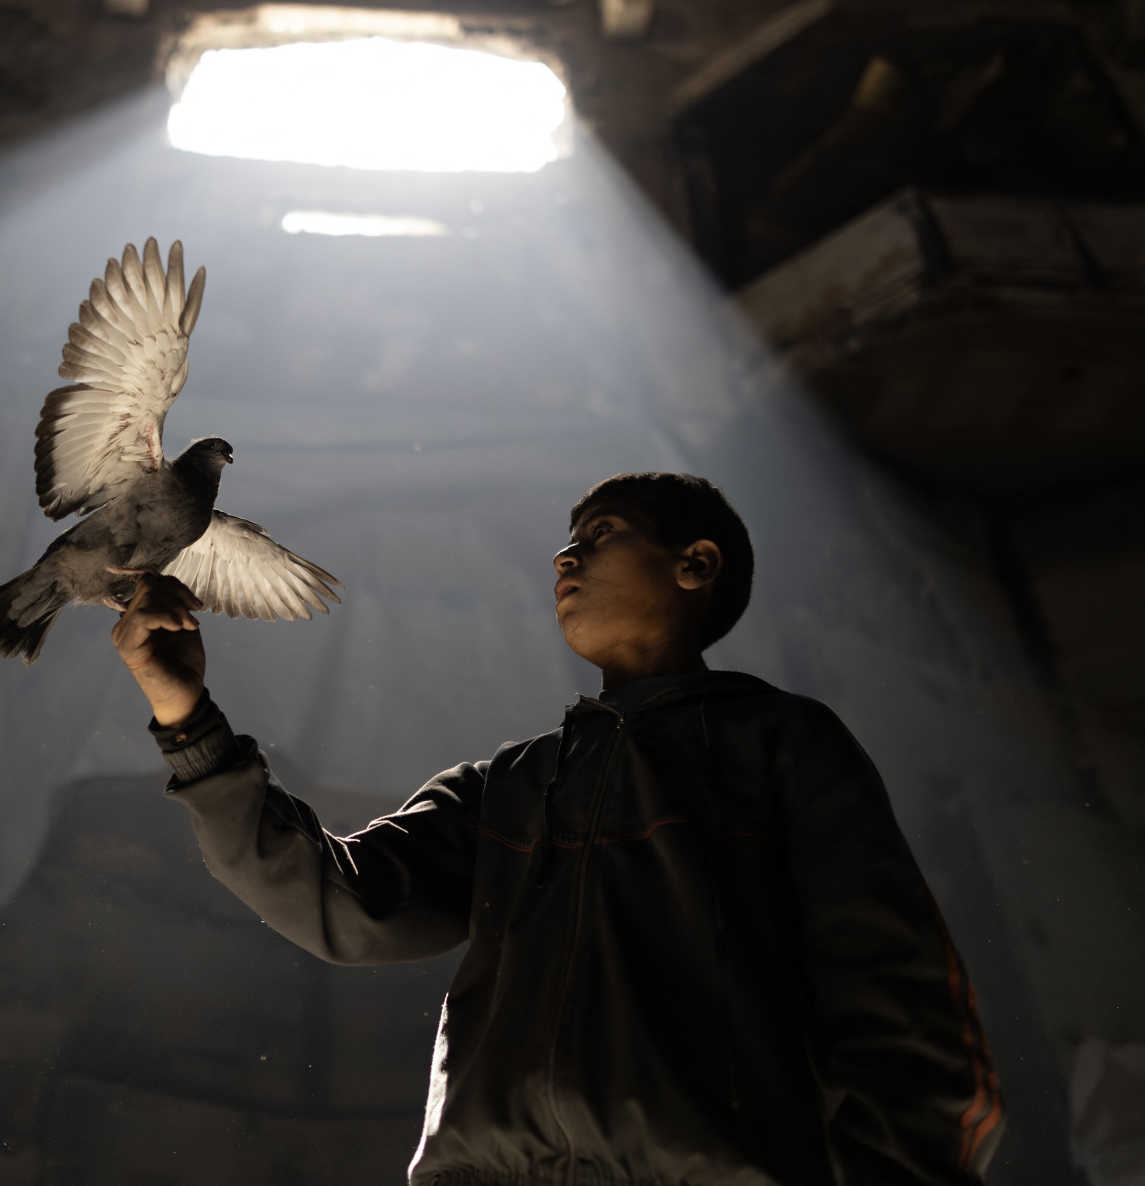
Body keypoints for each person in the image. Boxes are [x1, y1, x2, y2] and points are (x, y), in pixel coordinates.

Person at [111, 471, 1004, 1185]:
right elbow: (341, 906)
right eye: (568, 539)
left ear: (695, 563)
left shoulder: (780, 747)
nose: (564, 555)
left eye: (602, 532)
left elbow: (904, 1008)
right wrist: (184, 712)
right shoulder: (511, 786)